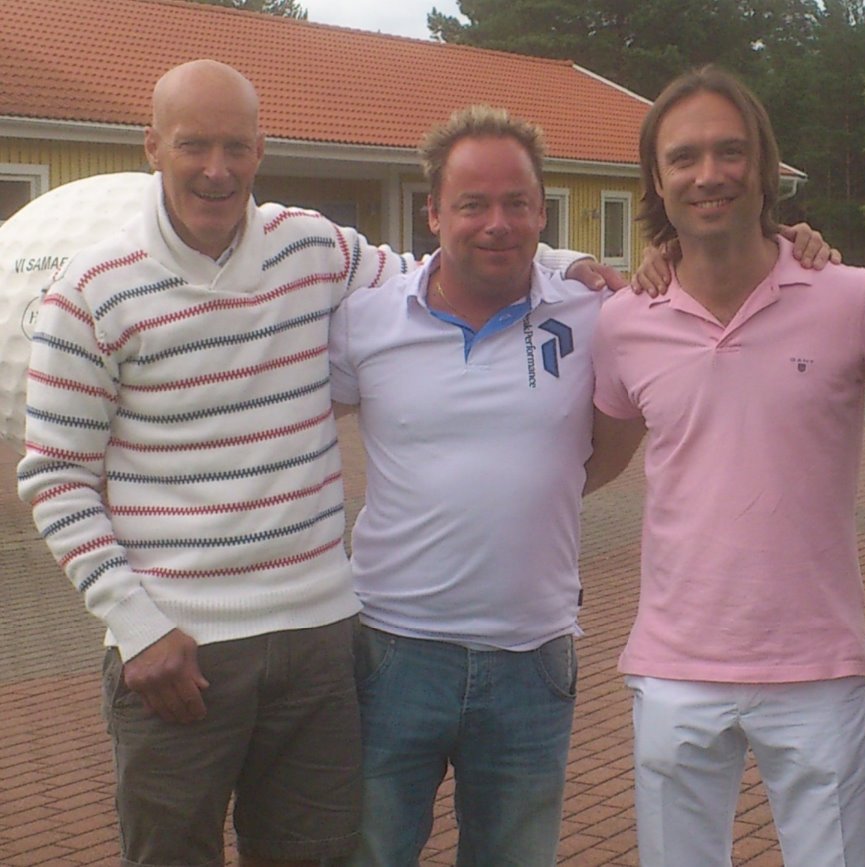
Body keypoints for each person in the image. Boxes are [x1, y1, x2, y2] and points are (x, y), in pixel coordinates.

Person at [15, 61, 619, 867]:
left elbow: (442, 263)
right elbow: (55, 475)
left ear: (260, 150)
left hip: (318, 644)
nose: (217, 168)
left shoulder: (312, 248)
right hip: (177, 648)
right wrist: (135, 625)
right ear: (152, 146)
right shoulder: (90, 289)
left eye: (236, 146)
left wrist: (567, 263)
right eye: (194, 145)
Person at [328, 103, 837, 866]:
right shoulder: (365, 321)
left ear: (542, 211)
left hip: (532, 658)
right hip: (392, 650)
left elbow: (610, 444)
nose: (497, 223)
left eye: (517, 203)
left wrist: (792, 244)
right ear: (433, 212)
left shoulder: (597, 309)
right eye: (472, 204)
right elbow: (299, 428)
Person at [587, 67, 865, 867]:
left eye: (730, 151)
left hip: (819, 666)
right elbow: (589, 462)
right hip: (674, 668)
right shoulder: (624, 320)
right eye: (684, 157)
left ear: (766, 166)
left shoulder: (851, 297)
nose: (709, 174)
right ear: (656, 179)